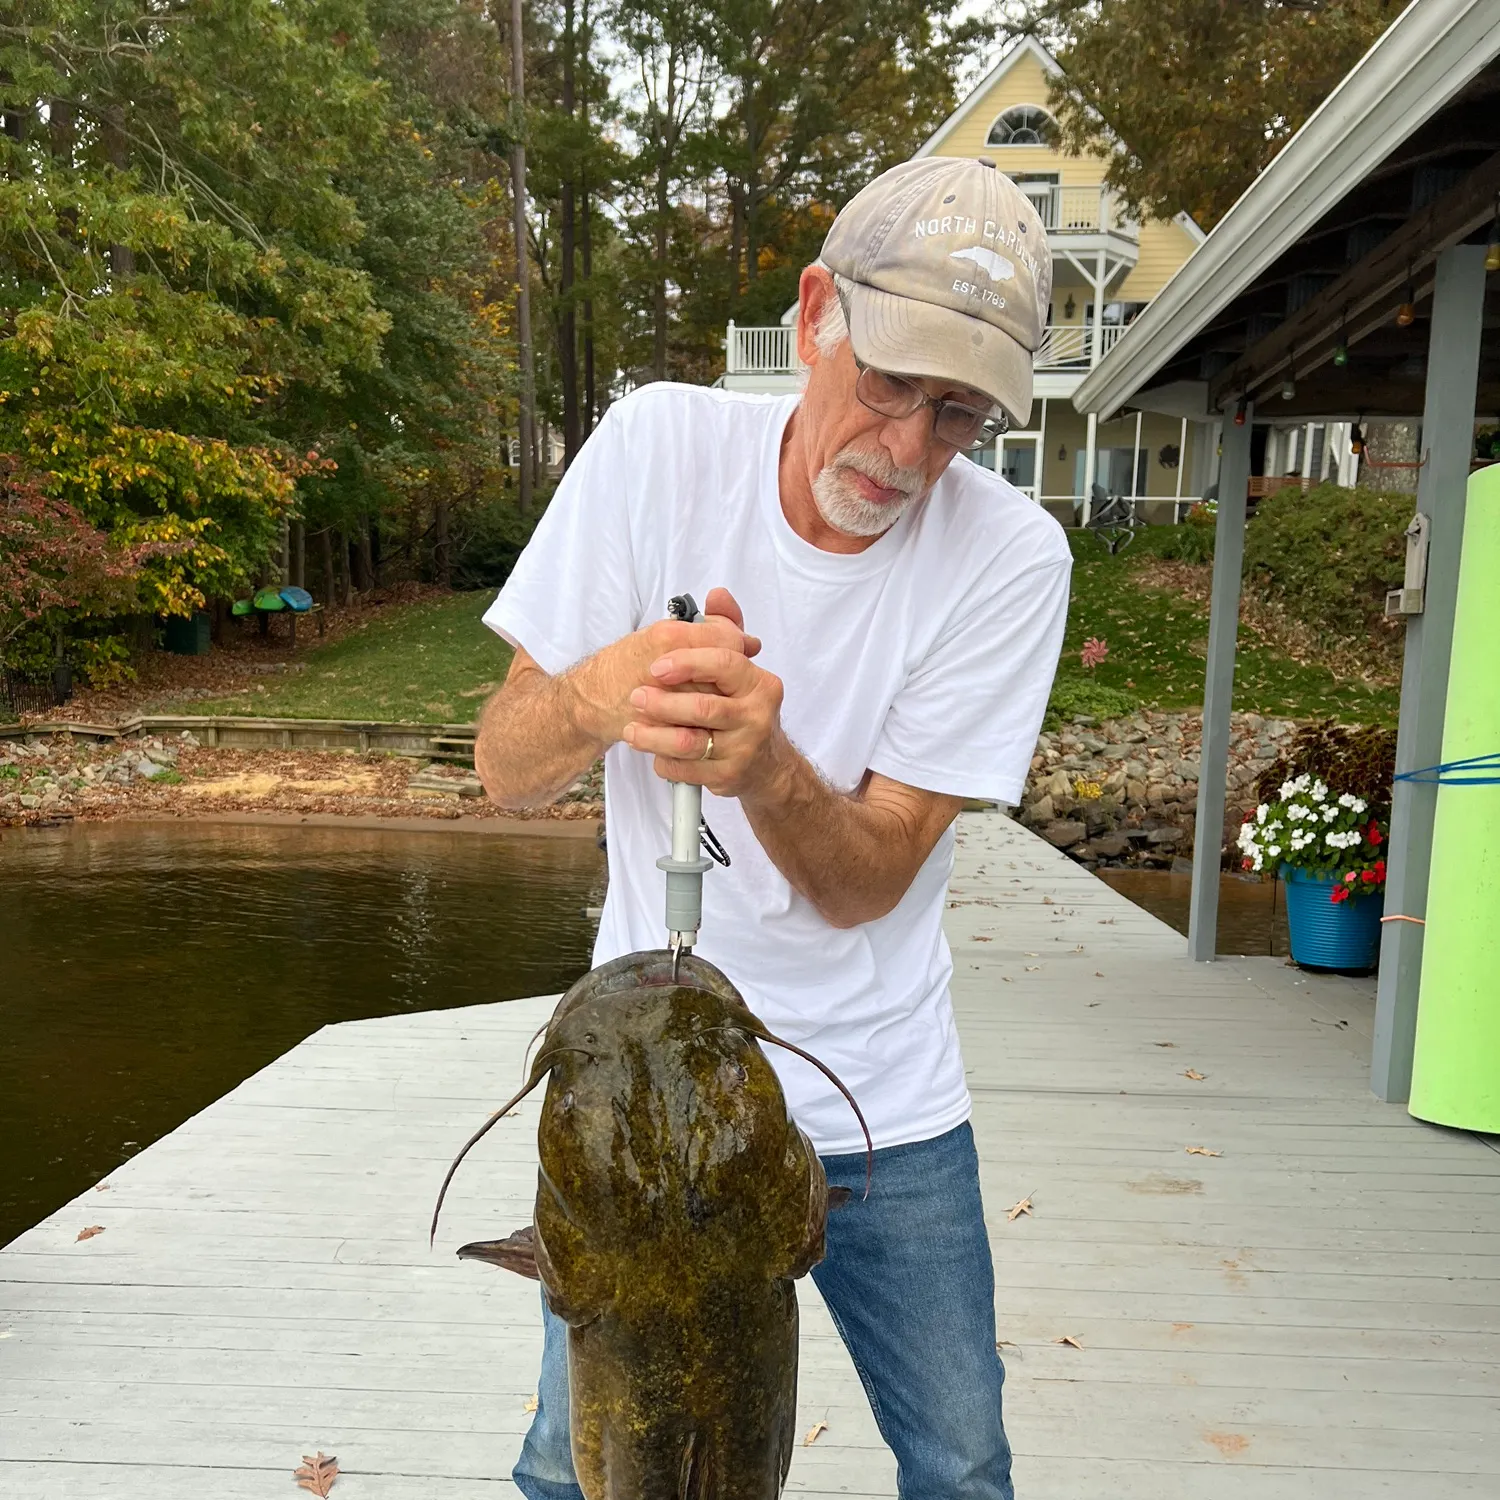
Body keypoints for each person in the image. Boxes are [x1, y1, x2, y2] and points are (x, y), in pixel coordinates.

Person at [477, 156, 1071, 1500]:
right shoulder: (654, 448)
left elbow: (869, 882)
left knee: (962, 1463)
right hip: (640, 1122)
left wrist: (765, 766)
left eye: (962, 416)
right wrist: (597, 688)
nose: (911, 451)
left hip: (885, 1104)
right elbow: (507, 767)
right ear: (816, 316)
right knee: (567, 1470)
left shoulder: (1013, 559)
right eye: (891, 386)